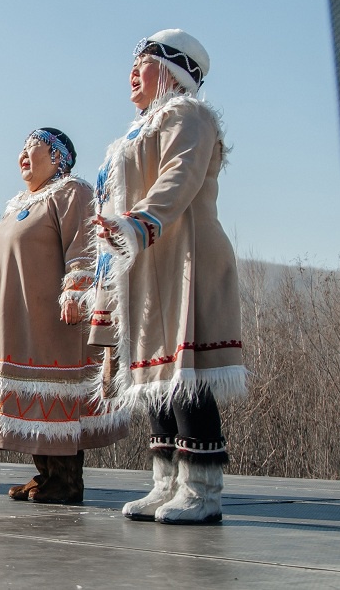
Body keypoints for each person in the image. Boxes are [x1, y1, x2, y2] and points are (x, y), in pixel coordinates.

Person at [88, 30, 246, 524]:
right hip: (146, 261)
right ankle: (164, 481)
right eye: (132, 62)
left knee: (186, 372)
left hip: (186, 254)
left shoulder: (189, 115)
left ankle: (202, 487)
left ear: (174, 73)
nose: (132, 71)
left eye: (145, 61)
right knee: (153, 374)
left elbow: (180, 174)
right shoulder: (131, 135)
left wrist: (137, 223)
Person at [0, 129, 128, 503]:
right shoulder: (19, 202)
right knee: (31, 394)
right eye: (21, 146)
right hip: (15, 320)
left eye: (33, 147)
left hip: (52, 319)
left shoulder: (73, 191)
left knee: (54, 391)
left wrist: (75, 290)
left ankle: (67, 480)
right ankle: (47, 474)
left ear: (57, 156)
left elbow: (86, 246)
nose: (23, 153)